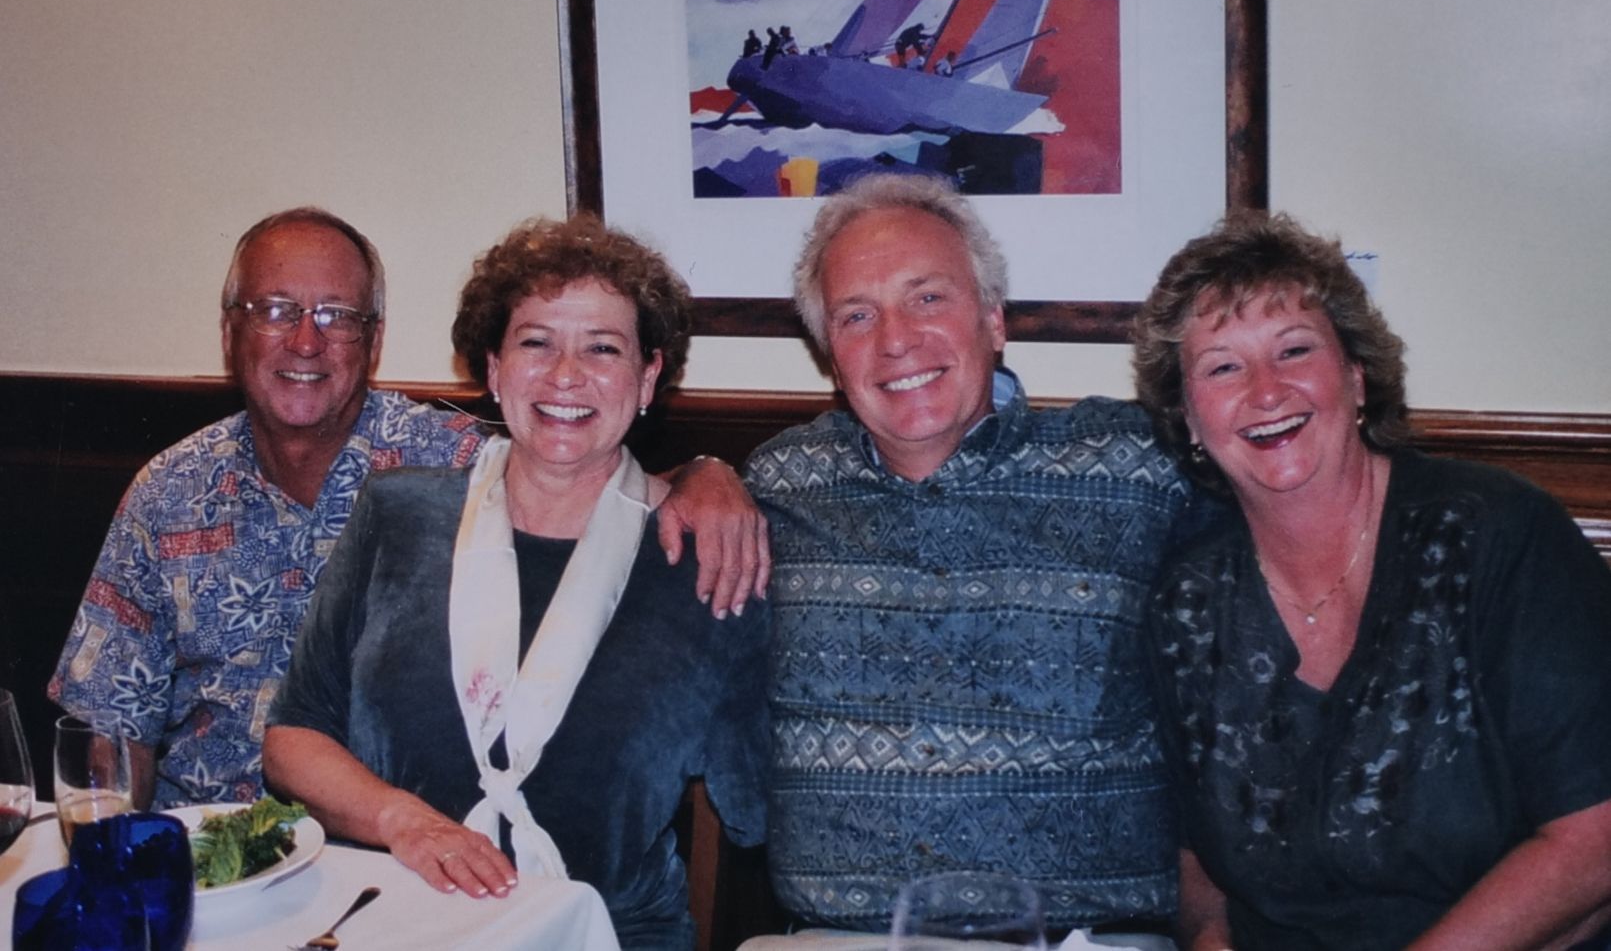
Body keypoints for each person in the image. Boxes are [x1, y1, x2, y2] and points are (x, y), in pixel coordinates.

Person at [49, 207, 764, 812]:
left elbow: (587, 480)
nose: (306, 341)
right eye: (275, 311)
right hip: (208, 856)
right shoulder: (168, 491)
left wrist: (707, 473)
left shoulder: (449, 464)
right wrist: (117, 862)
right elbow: (109, 726)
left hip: (394, 855)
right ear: (230, 330)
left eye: (337, 316)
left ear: (374, 338)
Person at [264, 215, 768, 950]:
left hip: (608, 937)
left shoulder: (709, 557)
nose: (565, 375)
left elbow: (758, 805)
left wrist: (713, 471)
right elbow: (293, 735)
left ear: (647, 377)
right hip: (391, 920)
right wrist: (400, 819)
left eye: (602, 347)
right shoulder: (396, 515)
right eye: (536, 342)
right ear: (494, 368)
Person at [1132, 212, 1611, 950]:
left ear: (1356, 377)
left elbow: (1593, 835)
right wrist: (1208, 940)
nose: (1266, 390)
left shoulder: (1498, 535)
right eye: (1222, 367)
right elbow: (1198, 861)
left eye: (1294, 350)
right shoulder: (1187, 600)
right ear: (1188, 418)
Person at [745, 174, 1194, 939]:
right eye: (857, 315)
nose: (894, 340)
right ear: (830, 358)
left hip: (1081, 939)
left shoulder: (1134, 470)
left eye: (927, 298)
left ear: (993, 321)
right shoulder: (778, 483)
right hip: (842, 939)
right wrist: (698, 475)